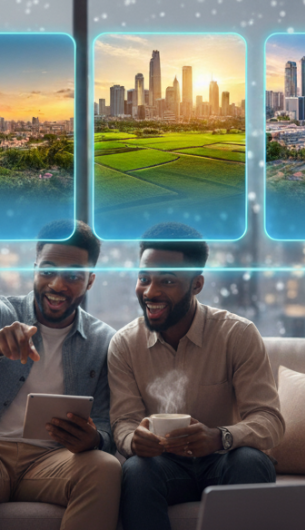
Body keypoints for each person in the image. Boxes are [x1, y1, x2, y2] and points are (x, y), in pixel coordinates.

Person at [0, 220, 121, 530]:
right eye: (48, 270)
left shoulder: (104, 341)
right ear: (34, 269)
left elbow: (104, 423)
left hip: (51, 463)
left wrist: (95, 439)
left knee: (105, 467)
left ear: (90, 281)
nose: (57, 285)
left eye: (73, 276)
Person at [108, 222, 285, 530]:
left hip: (223, 460)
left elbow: (269, 420)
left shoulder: (237, 334)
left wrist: (219, 437)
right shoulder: (124, 344)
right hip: (162, 466)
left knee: (250, 462)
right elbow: (123, 421)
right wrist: (133, 441)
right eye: (144, 279)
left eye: (167, 281)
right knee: (136, 470)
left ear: (197, 285)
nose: (150, 292)